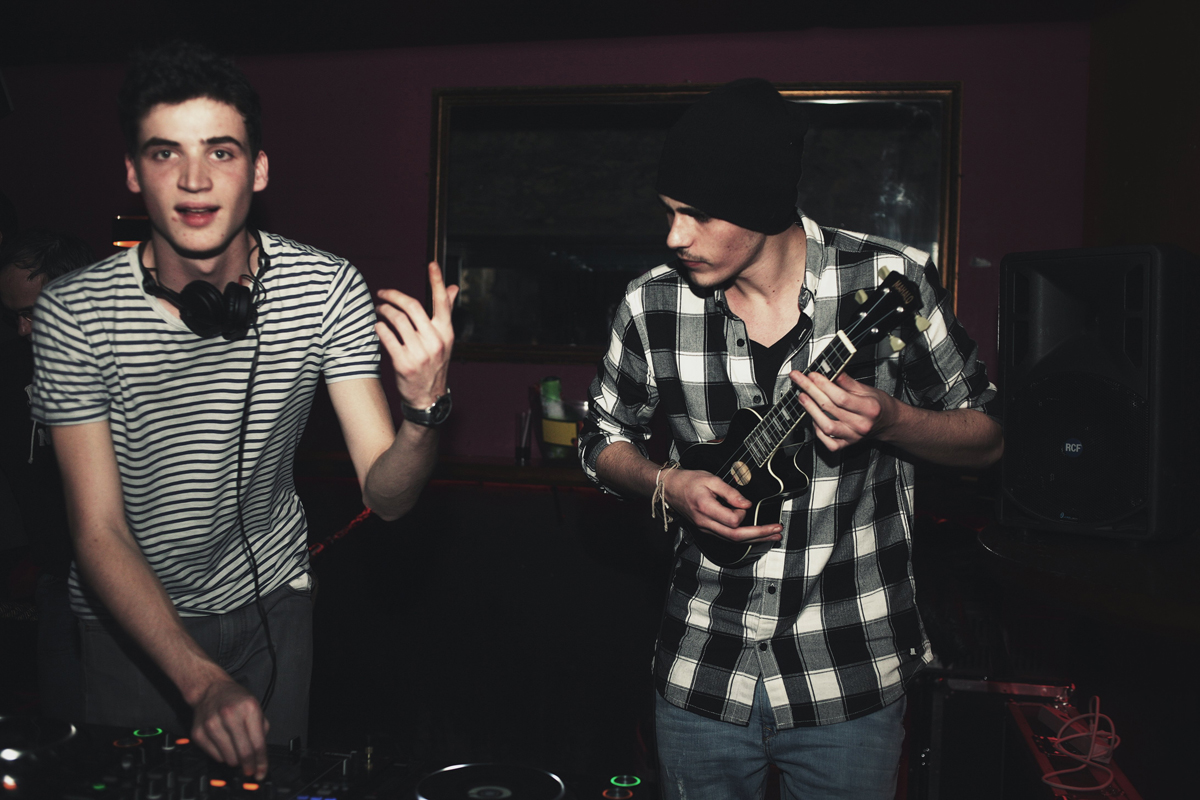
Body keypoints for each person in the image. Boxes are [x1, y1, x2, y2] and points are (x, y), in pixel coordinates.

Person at [29, 43, 456, 781]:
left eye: (220, 152)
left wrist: (423, 409)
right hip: (127, 622)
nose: (194, 179)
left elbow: (387, 498)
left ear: (258, 170)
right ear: (132, 173)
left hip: (271, 607)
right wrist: (199, 680)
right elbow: (96, 528)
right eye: (166, 153)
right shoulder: (74, 312)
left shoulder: (325, 289)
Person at [578, 79, 1002, 800]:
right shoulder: (652, 303)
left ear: (763, 205)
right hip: (703, 670)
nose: (675, 237)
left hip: (849, 675)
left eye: (697, 214)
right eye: (669, 212)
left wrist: (893, 420)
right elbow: (599, 437)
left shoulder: (889, 279)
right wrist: (665, 484)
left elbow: (989, 437)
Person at [0, 229, 95, 723]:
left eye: (33, 313)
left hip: (142, 587)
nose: (22, 329)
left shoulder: (132, 365)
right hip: (58, 582)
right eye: (13, 315)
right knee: (67, 734)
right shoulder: (11, 368)